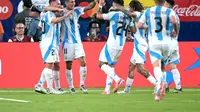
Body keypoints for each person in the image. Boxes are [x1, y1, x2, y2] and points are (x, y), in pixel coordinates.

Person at [138, 0, 179, 101]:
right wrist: (175, 32)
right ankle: (164, 82)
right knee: (163, 66)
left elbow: (139, 25)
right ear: (164, 1)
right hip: (167, 43)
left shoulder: (148, 11)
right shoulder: (169, 11)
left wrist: (149, 27)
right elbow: (174, 21)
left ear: (154, 1)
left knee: (156, 65)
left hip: (154, 43)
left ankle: (160, 84)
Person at [114, 0, 157, 94]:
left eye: (130, 7)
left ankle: (157, 85)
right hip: (139, 44)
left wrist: (119, 8)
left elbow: (131, 14)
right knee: (131, 67)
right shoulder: (143, 16)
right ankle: (127, 90)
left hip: (140, 44)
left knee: (140, 69)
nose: (129, 9)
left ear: (133, 8)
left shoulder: (137, 14)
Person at [96, 0, 137, 94]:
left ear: (115, 4)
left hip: (111, 43)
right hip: (121, 45)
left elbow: (98, 16)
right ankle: (107, 89)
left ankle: (117, 79)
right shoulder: (128, 17)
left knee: (101, 64)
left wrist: (100, 6)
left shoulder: (113, 14)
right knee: (111, 66)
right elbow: (134, 30)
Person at [34, 0, 73, 94]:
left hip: (53, 43)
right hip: (49, 43)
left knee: (55, 64)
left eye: (60, 3)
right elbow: (54, 21)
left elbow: (39, 27)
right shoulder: (49, 14)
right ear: (51, 4)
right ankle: (50, 89)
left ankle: (39, 85)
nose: (59, 5)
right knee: (49, 65)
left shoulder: (48, 14)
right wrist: (65, 16)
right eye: (57, 3)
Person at [61, 0, 98, 94]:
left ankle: (82, 84)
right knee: (69, 64)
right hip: (67, 43)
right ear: (66, 3)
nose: (73, 3)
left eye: (74, 2)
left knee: (83, 61)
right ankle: (71, 86)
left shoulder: (77, 10)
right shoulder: (61, 12)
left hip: (77, 42)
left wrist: (95, 1)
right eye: (71, 2)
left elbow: (89, 7)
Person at [163, 0, 182, 93]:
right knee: (172, 66)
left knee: (160, 65)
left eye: (164, 3)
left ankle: (164, 85)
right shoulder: (176, 14)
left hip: (168, 43)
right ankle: (178, 87)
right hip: (175, 43)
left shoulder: (168, 14)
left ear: (167, 4)